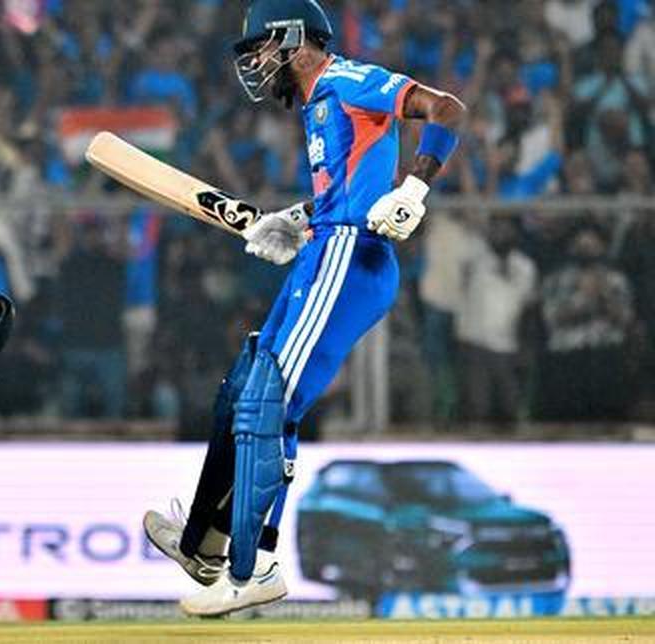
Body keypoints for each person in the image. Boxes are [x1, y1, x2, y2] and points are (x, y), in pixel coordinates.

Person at [142, 0, 465, 616]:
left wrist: (414, 189)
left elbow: (446, 109)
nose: (256, 63)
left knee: (267, 396)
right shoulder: (319, 104)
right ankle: (208, 545)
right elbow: (344, 188)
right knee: (249, 393)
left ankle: (249, 567)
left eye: (261, 47)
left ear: (294, 38)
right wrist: (296, 218)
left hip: (352, 253)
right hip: (325, 247)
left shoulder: (346, 79)